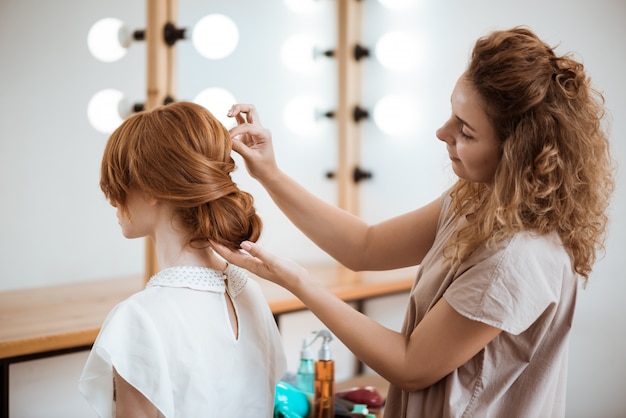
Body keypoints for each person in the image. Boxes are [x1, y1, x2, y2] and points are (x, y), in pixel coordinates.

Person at [211, 27, 614, 417]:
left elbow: (410, 366)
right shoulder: (478, 199)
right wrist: (270, 173)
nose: (442, 133)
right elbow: (364, 246)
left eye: (466, 132)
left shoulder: (517, 259)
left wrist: (297, 281)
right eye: (452, 114)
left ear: (517, 154)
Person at [79, 101, 287, 417]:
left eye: (119, 182)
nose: (112, 199)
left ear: (150, 188)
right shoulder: (249, 293)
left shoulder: (138, 319)